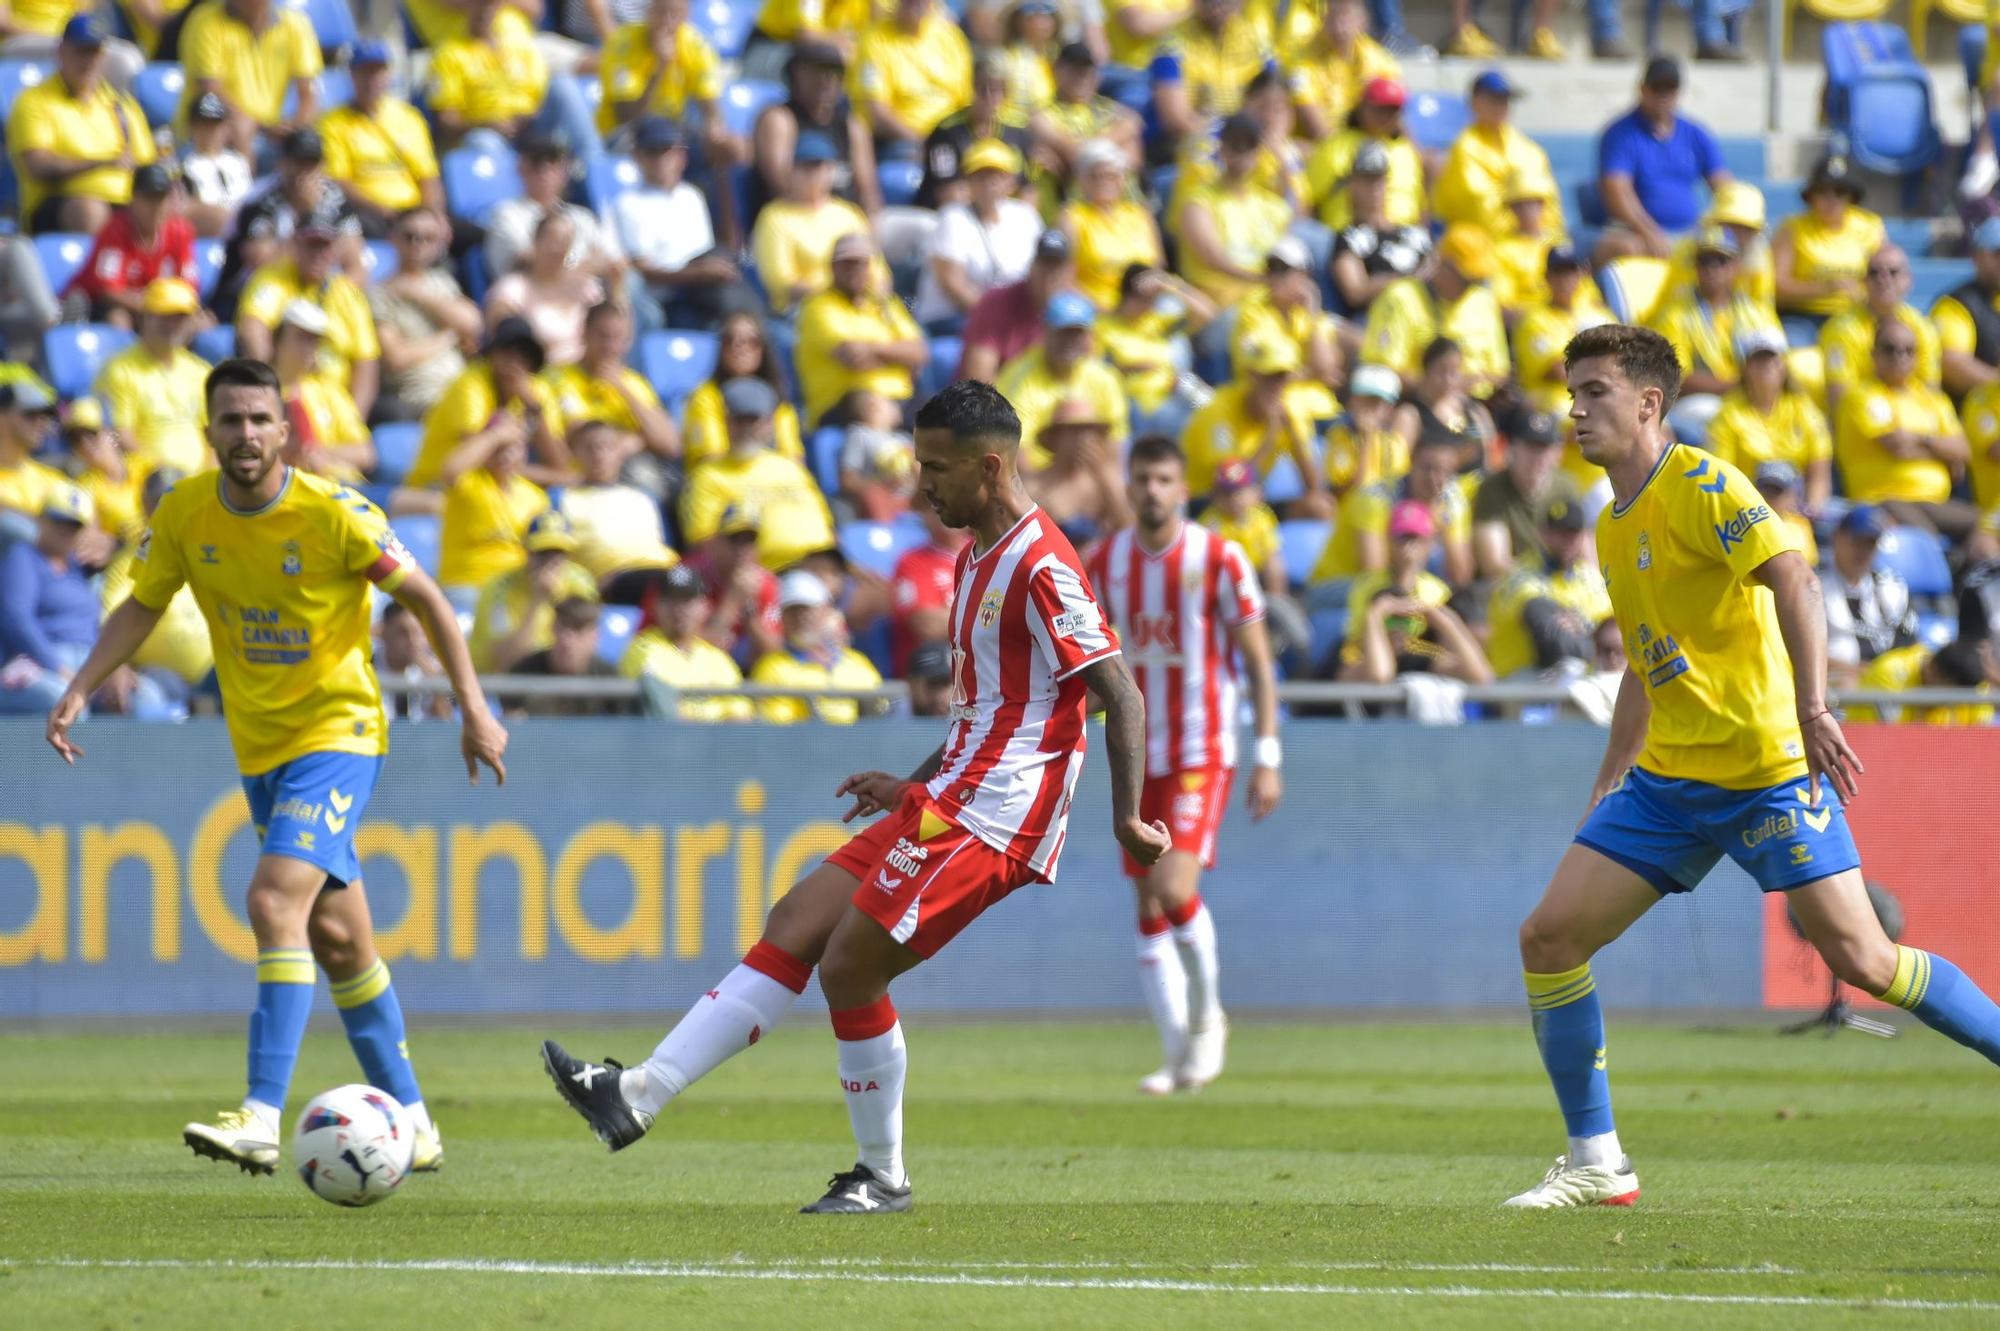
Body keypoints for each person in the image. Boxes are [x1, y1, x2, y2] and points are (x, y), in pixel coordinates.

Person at [541, 379, 1167, 1213]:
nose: (921, 485)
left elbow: (1118, 693)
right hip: (948, 793)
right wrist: (912, 781)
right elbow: (993, 706)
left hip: (993, 816)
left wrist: (1126, 814)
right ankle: (638, 1094)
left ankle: (884, 1174)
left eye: (936, 468)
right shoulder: (977, 552)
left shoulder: (1040, 562)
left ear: (989, 467)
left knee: (850, 967)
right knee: (799, 920)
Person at [1505, 322, 2000, 1207]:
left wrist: (1814, 707)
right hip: (1667, 782)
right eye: (1572, 392)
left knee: (1866, 959)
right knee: (1548, 938)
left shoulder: (1700, 483)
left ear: (1649, 402)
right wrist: (1611, 773)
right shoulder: (1615, 522)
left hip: (1765, 770)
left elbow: (1798, 581)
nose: (1574, 410)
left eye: (1594, 392)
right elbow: (1645, 662)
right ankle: (1597, 1160)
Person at [47, 356, 508, 1176]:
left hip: (338, 734)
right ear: (209, 431)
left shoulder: (335, 513)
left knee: (269, 900)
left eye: (261, 419)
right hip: (260, 747)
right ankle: (416, 1120)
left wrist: (473, 706)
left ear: (286, 429)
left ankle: (261, 1113)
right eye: (231, 420)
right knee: (338, 938)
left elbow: (429, 598)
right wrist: (81, 684)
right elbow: (144, 600)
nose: (247, 434)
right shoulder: (186, 512)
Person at [1085, 435, 1280, 1093]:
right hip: (1135, 753)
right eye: (1141, 478)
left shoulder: (1219, 558)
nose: (1152, 491)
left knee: (1173, 888)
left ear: (1182, 486)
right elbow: (1087, 660)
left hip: (1203, 747)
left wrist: (1269, 752)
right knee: (1145, 901)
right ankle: (1174, 1053)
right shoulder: (1104, 560)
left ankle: (1209, 1021)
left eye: (1164, 479)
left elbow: (1257, 660)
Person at [2, 486, 168, 717]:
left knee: (145, 697)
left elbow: (98, 625)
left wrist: (112, 666)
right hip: (40, 662)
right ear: (41, 520)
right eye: (58, 521)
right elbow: (16, 619)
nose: (65, 531)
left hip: (87, 659)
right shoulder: (23, 556)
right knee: (67, 700)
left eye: (73, 525)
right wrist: (60, 669)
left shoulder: (79, 567)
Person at [7, 16, 155, 236]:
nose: (88, 61)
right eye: (80, 51)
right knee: (89, 210)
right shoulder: (34, 101)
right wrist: (102, 163)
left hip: (126, 202)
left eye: (94, 52)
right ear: (61, 52)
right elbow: (38, 166)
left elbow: (146, 163)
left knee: (185, 212)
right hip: (61, 201)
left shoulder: (121, 106)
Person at [236, 202, 382, 418]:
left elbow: (366, 363)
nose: (318, 253)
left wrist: (352, 420)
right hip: (285, 394)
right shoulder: (272, 279)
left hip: (335, 403)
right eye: (311, 244)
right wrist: (268, 387)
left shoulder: (348, 294)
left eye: (324, 246)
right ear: (295, 244)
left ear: (335, 250)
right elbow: (253, 328)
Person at [1834, 323, 1977, 541]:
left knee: (1988, 526)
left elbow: (1964, 450)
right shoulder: (1862, 396)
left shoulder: (1933, 398)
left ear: (1918, 357)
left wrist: (1920, 439)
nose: (1899, 356)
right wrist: (1942, 455)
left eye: (1908, 350)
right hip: (1883, 498)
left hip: (1934, 500)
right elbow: (1897, 447)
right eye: (1890, 349)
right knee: (1926, 539)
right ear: (1874, 354)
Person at [681, 376, 837, 571]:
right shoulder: (708, 475)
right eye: (739, 420)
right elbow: (704, 543)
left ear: (769, 424)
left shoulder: (792, 469)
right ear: (726, 423)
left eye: (753, 420)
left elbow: (828, 527)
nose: (746, 428)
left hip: (825, 566)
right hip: (770, 573)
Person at [211, 129, 361, 325]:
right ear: (283, 163)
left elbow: (355, 264)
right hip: (254, 295)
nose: (306, 172)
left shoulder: (337, 199)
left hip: (317, 294)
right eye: (299, 162)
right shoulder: (259, 202)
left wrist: (340, 302)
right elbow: (261, 262)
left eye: (312, 164)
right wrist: (305, 213)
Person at [1646, 225, 1779, 446]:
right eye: (1704, 261)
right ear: (1695, 267)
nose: (1712, 269)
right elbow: (1677, 379)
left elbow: (1778, 362)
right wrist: (1740, 385)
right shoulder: (1674, 315)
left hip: (1754, 399)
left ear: (1736, 266)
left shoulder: (1757, 310)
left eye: (1721, 261)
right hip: (1702, 403)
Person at [615, 117, 752, 332]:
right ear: (637, 157)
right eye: (652, 152)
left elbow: (705, 252)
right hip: (665, 299)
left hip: (702, 290)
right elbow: (642, 271)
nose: (661, 159)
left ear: (681, 157)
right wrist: (698, 274)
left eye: (667, 151)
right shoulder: (628, 203)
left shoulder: (692, 197)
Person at [1336, 500, 1491, 685]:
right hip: (1368, 654)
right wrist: (1378, 613)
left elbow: (1481, 676)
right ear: (1389, 540)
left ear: (1430, 542)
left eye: (1416, 538)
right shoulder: (1367, 584)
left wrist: (1441, 619)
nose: (1409, 546)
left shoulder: (1437, 590)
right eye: (1402, 537)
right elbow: (1376, 671)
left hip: (1416, 651)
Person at [1593, 58, 1729, 264]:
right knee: (1628, 247)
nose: (1663, 96)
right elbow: (1617, 193)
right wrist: (1649, 231)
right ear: (1642, 89)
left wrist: (1727, 220)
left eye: (1670, 89)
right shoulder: (1621, 134)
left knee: (1731, 248)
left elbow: (1724, 186)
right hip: (1634, 230)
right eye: (1657, 88)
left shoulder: (1695, 133)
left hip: (1689, 230)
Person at [409, 318, 565, 489]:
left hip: (496, 486)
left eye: (524, 355)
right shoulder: (470, 384)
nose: (514, 362)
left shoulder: (537, 391)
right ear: (492, 354)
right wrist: (545, 475)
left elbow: (560, 466)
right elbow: (469, 464)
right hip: (438, 486)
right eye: (507, 351)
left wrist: (532, 407)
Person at [795, 233, 928, 432]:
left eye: (860, 264)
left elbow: (919, 352)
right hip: (842, 402)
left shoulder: (886, 304)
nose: (854, 270)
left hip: (900, 397)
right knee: (871, 407)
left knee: (945, 419)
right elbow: (852, 357)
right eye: (846, 264)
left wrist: (871, 350)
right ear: (833, 267)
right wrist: (896, 357)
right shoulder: (818, 306)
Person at [1179, 335, 1329, 507]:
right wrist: (1271, 434)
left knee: (1319, 506)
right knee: (1239, 501)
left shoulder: (1290, 408)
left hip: (1250, 500)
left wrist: (1293, 433)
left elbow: (1314, 486)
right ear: (1252, 376)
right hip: (1206, 500)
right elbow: (1231, 483)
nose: (1276, 385)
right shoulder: (1218, 410)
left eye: (1282, 377)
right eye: (1268, 376)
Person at [1363, 226, 1510, 397]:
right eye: (1465, 280)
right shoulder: (1401, 298)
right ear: (1442, 262)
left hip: (1475, 403)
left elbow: (1500, 371)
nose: (1469, 288)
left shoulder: (1483, 301)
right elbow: (1382, 370)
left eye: (1477, 281)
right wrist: (1443, 386)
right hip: (1418, 403)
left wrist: (1473, 383)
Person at [436, 388, 551, 606]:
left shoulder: (535, 496)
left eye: (513, 448)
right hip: (467, 585)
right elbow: (449, 470)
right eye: (499, 448)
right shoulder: (468, 480)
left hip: (513, 589)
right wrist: (496, 435)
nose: (505, 455)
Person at [1312, 432, 1472, 588]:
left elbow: (1460, 577)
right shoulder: (1375, 499)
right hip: (1339, 584)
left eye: (1445, 472)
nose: (1435, 479)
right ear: (1411, 461)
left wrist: (1442, 524)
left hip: (1400, 583)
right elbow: (1373, 573)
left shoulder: (1452, 502)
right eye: (1427, 468)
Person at [914, 139, 1043, 332]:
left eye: (998, 174)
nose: (990, 181)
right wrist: (999, 317)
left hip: (1011, 320)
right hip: (953, 320)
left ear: (1011, 181)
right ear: (967, 181)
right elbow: (953, 284)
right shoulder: (952, 218)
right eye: (981, 175)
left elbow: (1042, 271)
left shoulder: (1025, 215)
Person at [318, 41, 444, 236]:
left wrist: (431, 214)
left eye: (378, 72)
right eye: (365, 73)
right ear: (352, 75)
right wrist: (385, 211)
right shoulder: (333, 123)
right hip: (368, 212)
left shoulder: (409, 117)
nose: (372, 80)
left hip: (412, 211)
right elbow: (340, 181)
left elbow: (427, 176)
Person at [369, 205, 482, 423]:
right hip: (419, 395)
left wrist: (418, 295)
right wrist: (448, 337)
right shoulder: (380, 294)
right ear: (393, 238)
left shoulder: (443, 282)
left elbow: (473, 324)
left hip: (460, 390)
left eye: (428, 238)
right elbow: (396, 359)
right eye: (410, 236)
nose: (418, 245)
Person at [996, 290, 1130, 468]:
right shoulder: (1020, 378)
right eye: (1063, 332)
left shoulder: (1106, 379)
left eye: (1077, 333)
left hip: (1089, 474)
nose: (1070, 341)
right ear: (1045, 332)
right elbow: (1015, 453)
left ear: (1090, 336)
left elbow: (1115, 444)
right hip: (1036, 479)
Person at [1175, 112, 1293, 313]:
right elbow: (1212, 258)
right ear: (1222, 148)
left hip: (1265, 302)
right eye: (1234, 145)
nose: (1241, 152)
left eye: (1249, 146)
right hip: (1221, 305)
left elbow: (1297, 212)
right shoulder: (1198, 201)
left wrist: (1280, 160)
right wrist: (1265, 281)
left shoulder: (1270, 204)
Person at [1704, 327, 1832, 512]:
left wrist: (1811, 511)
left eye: (1772, 358)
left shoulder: (1804, 407)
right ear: (1745, 367)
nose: (1766, 366)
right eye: (1757, 360)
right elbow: (1721, 476)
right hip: (1748, 506)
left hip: (1798, 502)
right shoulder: (1727, 414)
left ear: (1784, 364)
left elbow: (1819, 472)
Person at [752, 41, 881, 223]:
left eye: (835, 71)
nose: (827, 78)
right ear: (796, 73)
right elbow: (782, 189)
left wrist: (867, 234)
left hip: (844, 226)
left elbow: (869, 197)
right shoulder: (779, 119)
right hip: (791, 222)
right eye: (818, 69)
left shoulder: (853, 125)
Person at [93, 278, 211, 476]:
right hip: (149, 481)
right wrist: (161, 474)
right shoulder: (120, 369)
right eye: (165, 316)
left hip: (202, 481)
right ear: (145, 317)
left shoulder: (201, 371)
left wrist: (211, 477)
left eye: (180, 317)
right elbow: (121, 435)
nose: (172, 325)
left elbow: (213, 435)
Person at [749, 131, 873, 318]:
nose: (814, 173)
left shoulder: (850, 214)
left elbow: (878, 273)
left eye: (821, 166)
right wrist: (834, 298)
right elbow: (781, 284)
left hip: (857, 307)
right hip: (802, 311)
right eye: (806, 167)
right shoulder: (774, 217)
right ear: (792, 170)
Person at [1432, 70, 1564, 245]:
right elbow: (1478, 210)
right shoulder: (1465, 148)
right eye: (1494, 99)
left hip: (1537, 241)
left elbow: (1549, 204)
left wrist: (1544, 236)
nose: (1501, 106)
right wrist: (1522, 231)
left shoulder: (1529, 148)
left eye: (1505, 100)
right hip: (1484, 245)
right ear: (1475, 103)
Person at [1484, 496, 1611, 678]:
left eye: (1572, 533)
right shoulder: (1521, 576)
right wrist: (1592, 632)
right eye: (1557, 533)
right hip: (1520, 678)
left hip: (1576, 678)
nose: (1565, 540)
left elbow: (1615, 633)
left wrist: (1582, 625)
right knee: (1570, 671)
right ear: (1543, 533)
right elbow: (1553, 643)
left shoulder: (1590, 578)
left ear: (1583, 536)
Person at [485, 135, 629, 293]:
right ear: (521, 168)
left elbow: (614, 261)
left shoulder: (582, 216)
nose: (545, 171)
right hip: (532, 300)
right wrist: (587, 265)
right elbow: (531, 265)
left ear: (564, 171)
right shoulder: (507, 214)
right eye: (537, 163)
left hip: (587, 301)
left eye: (553, 163)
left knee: (630, 283)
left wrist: (561, 264)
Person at [556, 419, 680, 599]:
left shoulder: (644, 497)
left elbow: (665, 544)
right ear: (575, 454)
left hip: (663, 570)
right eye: (590, 448)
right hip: (615, 579)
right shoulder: (562, 498)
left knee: (696, 583)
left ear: (619, 452)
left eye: (607, 446)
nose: (599, 454)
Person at [178, 0, 322, 156]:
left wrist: (296, 131)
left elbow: (308, 94)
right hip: (211, 132)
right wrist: (261, 126)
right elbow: (210, 91)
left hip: (267, 135)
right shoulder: (205, 20)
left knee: (308, 151)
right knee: (242, 127)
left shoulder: (296, 24)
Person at [542, 300, 679, 464]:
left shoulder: (634, 382)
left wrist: (623, 390)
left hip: (629, 472)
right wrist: (636, 440)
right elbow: (575, 439)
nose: (610, 346)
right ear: (584, 333)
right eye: (603, 336)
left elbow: (670, 444)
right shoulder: (555, 378)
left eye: (618, 338)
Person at [66, 162, 195, 328]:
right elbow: (109, 291)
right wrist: (154, 307)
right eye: (148, 198)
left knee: (198, 323)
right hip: (96, 305)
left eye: (161, 199)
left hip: (156, 310)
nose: (155, 207)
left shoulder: (180, 233)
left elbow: (188, 286)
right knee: (118, 319)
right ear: (133, 199)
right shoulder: (115, 230)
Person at [469, 510, 601, 673]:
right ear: (527, 553)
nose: (550, 563)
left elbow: (588, 648)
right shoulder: (500, 588)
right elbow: (507, 661)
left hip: (559, 680)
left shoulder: (581, 582)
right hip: (502, 683)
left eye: (558, 553)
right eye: (543, 553)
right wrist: (537, 600)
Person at [747, 568, 883, 723]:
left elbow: (882, 712)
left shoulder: (857, 663)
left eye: (807, 609)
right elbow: (779, 730)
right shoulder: (772, 668)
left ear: (825, 611)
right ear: (782, 618)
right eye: (792, 610)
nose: (800, 617)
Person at [1818, 244, 1941, 414]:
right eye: (1874, 272)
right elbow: (1840, 399)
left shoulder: (1922, 328)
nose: (1883, 279)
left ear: (1908, 280)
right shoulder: (1841, 329)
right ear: (1864, 281)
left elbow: (1931, 390)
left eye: (1893, 272)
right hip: (1862, 416)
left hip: (1912, 416)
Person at [620, 562, 751, 721]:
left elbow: (741, 717)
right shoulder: (642, 649)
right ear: (656, 606)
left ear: (705, 607)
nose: (679, 609)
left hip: (719, 743)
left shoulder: (717, 658)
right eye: (671, 600)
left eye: (687, 601)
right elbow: (664, 715)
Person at [1098, 261, 1213, 440]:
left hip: (1172, 396)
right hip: (1131, 404)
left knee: (1208, 409)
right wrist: (1129, 369)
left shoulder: (1157, 322)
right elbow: (1097, 370)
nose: (1150, 305)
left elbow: (1207, 313)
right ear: (1128, 295)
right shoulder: (1104, 327)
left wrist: (1170, 284)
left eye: (1154, 299)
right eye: (1145, 299)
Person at [596, 0, 728, 156]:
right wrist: (660, 68)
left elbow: (710, 105)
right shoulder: (623, 43)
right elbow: (627, 116)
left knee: (729, 149)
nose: (668, 21)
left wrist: (714, 128)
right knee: (658, 151)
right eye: (662, 12)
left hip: (673, 129)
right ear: (649, 11)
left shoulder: (695, 44)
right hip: (625, 133)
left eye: (675, 13)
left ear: (686, 15)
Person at [271, 300, 377, 482]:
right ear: (279, 340)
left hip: (346, 489)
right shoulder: (262, 393)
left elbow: (366, 454)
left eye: (314, 340)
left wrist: (319, 453)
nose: (309, 347)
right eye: (301, 337)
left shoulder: (330, 391)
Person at [684, 312, 803, 475]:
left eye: (751, 342)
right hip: (722, 483)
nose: (739, 348)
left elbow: (793, 459)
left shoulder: (778, 399)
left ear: (762, 348)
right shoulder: (705, 396)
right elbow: (709, 457)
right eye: (730, 341)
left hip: (775, 485)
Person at [851, 0, 974, 156]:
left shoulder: (951, 37)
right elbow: (875, 110)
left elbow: (967, 101)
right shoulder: (874, 39)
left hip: (951, 141)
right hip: (902, 143)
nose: (918, 3)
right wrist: (921, 141)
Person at [485, 212, 606, 370]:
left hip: (589, 373)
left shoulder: (585, 288)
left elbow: (611, 330)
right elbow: (504, 335)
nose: (557, 248)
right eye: (551, 239)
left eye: (564, 241)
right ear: (535, 242)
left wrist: (617, 285)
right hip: (543, 375)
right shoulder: (512, 288)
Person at [1304, 76, 1424, 236]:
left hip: (1402, 237)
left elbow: (1421, 204)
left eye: (1393, 110)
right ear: (1362, 107)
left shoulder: (1406, 149)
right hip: (1346, 237)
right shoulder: (1336, 146)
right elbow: (1308, 199)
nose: (1385, 115)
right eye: (1380, 108)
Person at [1232, 235, 1340, 413]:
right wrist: (1314, 374)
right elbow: (1265, 375)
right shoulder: (1252, 311)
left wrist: (1312, 317)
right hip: (1271, 409)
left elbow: (1326, 366)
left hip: (1318, 409)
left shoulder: (1311, 313)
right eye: (1271, 269)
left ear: (1304, 275)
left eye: (1283, 270)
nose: (1275, 276)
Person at [1772, 156, 1883, 328]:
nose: (1831, 199)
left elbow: (1886, 272)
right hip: (1802, 316)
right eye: (1823, 191)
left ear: (1850, 197)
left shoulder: (1870, 226)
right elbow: (1776, 286)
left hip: (1856, 315)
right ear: (1811, 196)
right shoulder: (1792, 228)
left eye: (1839, 192)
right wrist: (1824, 288)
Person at [1328, 140, 1431, 320]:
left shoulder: (1413, 233)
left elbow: (1436, 266)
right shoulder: (1349, 238)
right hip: (1383, 318)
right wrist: (1410, 280)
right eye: (1366, 179)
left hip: (1427, 314)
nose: (1374, 187)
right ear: (1352, 183)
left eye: (1379, 178)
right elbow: (1355, 291)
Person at [425, 0, 550, 149]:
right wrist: (485, 126)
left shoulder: (522, 50)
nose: (484, 10)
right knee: (485, 142)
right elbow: (446, 121)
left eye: (489, 4)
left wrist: (524, 120)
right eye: (478, 3)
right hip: (484, 135)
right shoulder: (450, 54)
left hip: (528, 126)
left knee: (563, 89)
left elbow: (543, 98)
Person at [958, 229, 1078, 382]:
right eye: (1044, 264)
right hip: (1002, 399)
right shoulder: (996, 303)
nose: (1050, 275)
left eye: (1056, 267)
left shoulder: (1077, 313)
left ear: (1071, 272)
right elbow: (978, 381)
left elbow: (1083, 374)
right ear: (1031, 266)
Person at [1472, 407, 1577, 580]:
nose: (1537, 457)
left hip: (1560, 584)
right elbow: (1494, 565)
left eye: (1544, 448)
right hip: (1509, 590)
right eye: (1530, 447)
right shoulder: (1492, 488)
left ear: (1558, 453)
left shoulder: (1567, 487)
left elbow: (1585, 553)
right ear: (1511, 448)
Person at [1821, 503, 1916, 690]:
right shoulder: (1813, 586)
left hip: (1888, 682)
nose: (1863, 551)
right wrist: (1854, 669)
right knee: (1847, 684)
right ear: (1836, 538)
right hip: (1833, 682)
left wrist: (1878, 672)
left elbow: (1909, 645)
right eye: (1857, 541)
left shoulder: (1893, 587)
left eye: (1870, 543)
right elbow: (1796, 651)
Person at [1060, 139, 1162, 312]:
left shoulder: (1140, 214)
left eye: (1111, 175)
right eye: (1095, 176)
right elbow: (1065, 279)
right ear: (1082, 180)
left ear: (1122, 179)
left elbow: (1158, 267)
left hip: (1145, 306)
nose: (1103, 182)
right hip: (1096, 309)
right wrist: (1104, 311)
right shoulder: (1071, 218)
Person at [1513, 245, 1612, 420]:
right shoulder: (1534, 320)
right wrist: (1603, 361)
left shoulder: (1598, 315)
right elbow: (1557, 372)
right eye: (1558, 273)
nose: (1565, 280)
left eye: (1571, 272)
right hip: (1552, 409)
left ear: (1581, 275)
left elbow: (1624, 359)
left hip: (1599, 404)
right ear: (1546, 277)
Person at [1030, 43, 1141, 197]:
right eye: (1074, 70)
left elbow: (1133, 156)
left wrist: (1083, 149)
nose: (1082, 76)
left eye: (1088, 70)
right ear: (1057, 71)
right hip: (1072, 204)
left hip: (1123, 205)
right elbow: (1069, 150)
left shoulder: (1112, 110)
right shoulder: (1043, 115)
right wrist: (1112, 148)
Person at [502, 595, 638, 717]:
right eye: (563, 627)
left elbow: (624, 730)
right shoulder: (524, 672)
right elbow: (513, 726)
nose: (567, 638)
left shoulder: (608, 678)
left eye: (578, 629)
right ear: (553, 629)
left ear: (595, 636)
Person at [1287, 0, 1399, 143]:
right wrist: (1348, 152)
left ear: (1363, 21)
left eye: (1346, 17)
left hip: (1366, 144)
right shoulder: (1300, 59)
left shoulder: (1379, 60)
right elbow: (1314, 125)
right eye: (1332, 18)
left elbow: (1394, 116)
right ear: (1322, 20)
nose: (1339, 27)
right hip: (1319, 147)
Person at [1024, 395, 1131, 540]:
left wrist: (1104, 476)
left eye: (1090, 430)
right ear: (1056, 437)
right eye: (1074, 430)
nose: (1083, 438)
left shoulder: (1105, 480)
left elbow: (1129, 529)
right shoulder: (1034, 484)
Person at [1390, 336, 1496, 481]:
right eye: (1441, 371)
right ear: (1426, 371)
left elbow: (1491, 459)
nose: (1448, 380)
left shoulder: (1475, 410)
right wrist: (1454, 460)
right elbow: (1397, 469)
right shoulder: (1410, 415)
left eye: (1454, 372)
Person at [889, 497, 965, 675]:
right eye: (935, 505)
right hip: (930, 676)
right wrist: (988, 619)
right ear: (923, 514)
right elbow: (927, 625)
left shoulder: (987, 553)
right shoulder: (912, 562)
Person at [1931, 216, 2000, 401]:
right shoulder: (1956, 305)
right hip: (1974, 417)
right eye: (1997, 253)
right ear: (1977, 257)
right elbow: (1954, 366)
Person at [1851, 640, 1994, 726]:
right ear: (1935, 671)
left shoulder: (1975, 689)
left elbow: (1979, 747)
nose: (1952, 706)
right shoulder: (1889, 674)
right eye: (1949, 699)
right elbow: (1888, 743)